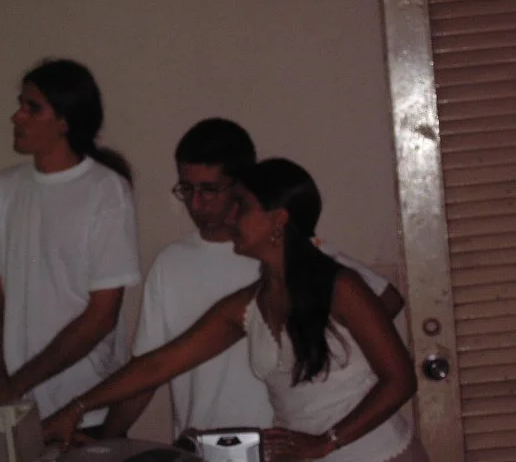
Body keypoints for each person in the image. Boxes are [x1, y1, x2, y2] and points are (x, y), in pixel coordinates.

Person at [43, 157, 428, 461]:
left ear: (278, 220)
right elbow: (159, 364)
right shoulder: (250, 305)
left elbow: (400, 381)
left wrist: (325, 443)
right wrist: (77, 408)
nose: (229, 216)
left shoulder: (341, 288)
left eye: (241, 206)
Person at [101, 120, 404, 436]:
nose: (196, 204)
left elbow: (387, 300)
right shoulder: (170, 264)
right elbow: (151, 369)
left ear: (240, 187)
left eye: (210, 190)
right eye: (187, 189)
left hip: (279, 441)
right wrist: (105, 438)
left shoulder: (289, 250)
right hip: (204, 443)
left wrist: (315, 352)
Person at [0, 58, 141, 437]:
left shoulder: (105, 190)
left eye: (33, 108)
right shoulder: (6, 188)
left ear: (64, 120)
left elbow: (102, 315)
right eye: (20, 104)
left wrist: (17, 383)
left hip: (81, 409)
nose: (17, 117)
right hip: (18, 410)